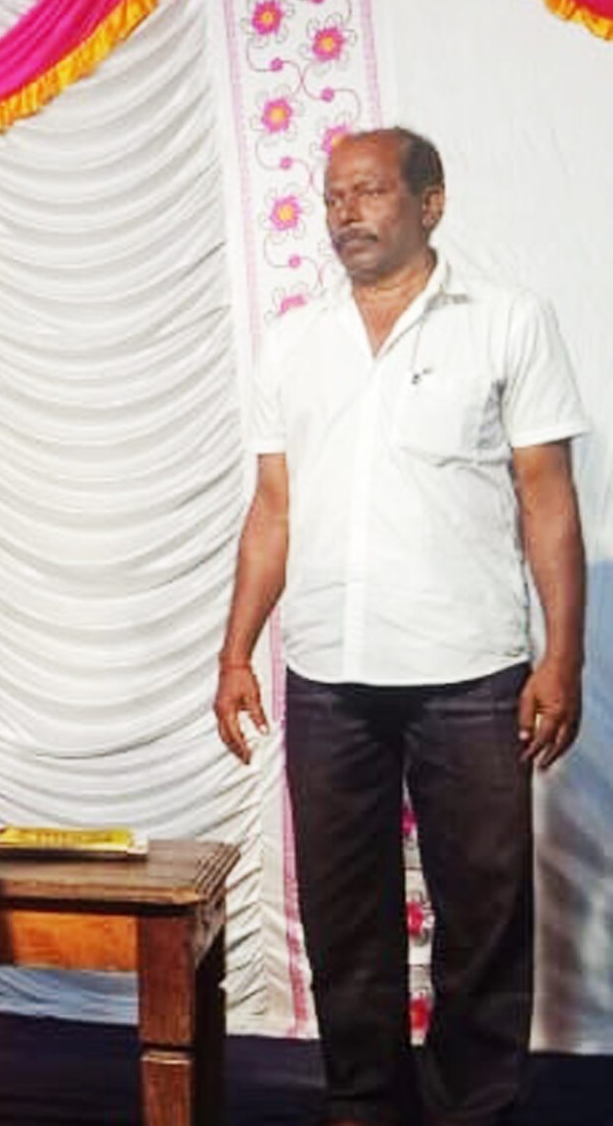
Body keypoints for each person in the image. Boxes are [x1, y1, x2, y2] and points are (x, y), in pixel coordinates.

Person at [212, 127, 584, 1126]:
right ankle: (364, 1103)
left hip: (472, 670)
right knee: (344, 912)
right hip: (329, 672)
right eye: (334, 196)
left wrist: (563, 655)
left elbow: (547, 499)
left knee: (485, 908)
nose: (347, 212)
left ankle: (472, 1107)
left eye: (370, 191)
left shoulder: (506, 321)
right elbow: (272, 509)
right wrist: (236, 649)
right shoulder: (295, 341)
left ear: (430, 202)